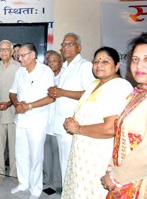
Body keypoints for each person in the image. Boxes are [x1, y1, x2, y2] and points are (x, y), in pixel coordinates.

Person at [61, 47, 133, 198]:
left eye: (105, 61)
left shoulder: (120, 86)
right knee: (79, 188)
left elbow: (110, 129)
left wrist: (78, 129)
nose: (99, 65)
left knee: (93, 191)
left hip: (99, 154)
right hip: (82, 150)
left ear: (117, 66)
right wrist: (72, 121)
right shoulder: (95, 84)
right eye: (96, 61)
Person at [101, 33, 147, 198]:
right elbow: (121, 136)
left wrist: (116, 177)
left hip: (143, 179)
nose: (139, 66)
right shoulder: (138, 93)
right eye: (135, 59)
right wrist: (112, 168)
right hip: (124, 176)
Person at [48, 33, 95, 185]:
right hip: (62, 123)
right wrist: (56, 91)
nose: (66, 47)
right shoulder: (65, 67)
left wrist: (62, 92)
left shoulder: (85, 66)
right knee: (64, 163)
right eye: (63, 44)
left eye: (70, 44)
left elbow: (89, 94)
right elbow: (63, 93)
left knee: (73, 163)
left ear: (79, 47)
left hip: (74, 123)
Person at [9, 43, 54, 199]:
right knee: (20, 154)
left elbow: (51, 97)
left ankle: (36, 188)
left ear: (33, 55)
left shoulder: (45, 72)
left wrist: (29, 106)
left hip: (37, 121)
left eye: (22, 55)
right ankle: (23, 183)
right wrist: (17, 104)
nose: (19, 58)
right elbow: (12, 92)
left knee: (36, 156)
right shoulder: (20, 72)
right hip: (20, 119)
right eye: (18, 55)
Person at [0, 40, 21, 184]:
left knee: (14, 146)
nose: (4, 52)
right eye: (1, 50)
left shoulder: (19, 67)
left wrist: (11, 103)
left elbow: (21, 91)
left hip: (13, 111)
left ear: (11, 52)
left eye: (6, 49)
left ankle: (14, 174)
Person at [43, 50, 63, 190]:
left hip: (59, 122)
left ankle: (57, 182)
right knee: (46, 153)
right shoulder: (44, 76)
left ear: (60, 62)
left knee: (57, 153)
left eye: (54, 60)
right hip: (45, 121)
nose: (51, 63)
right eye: (49, 61)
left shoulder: (64, 76)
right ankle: (47, 178)